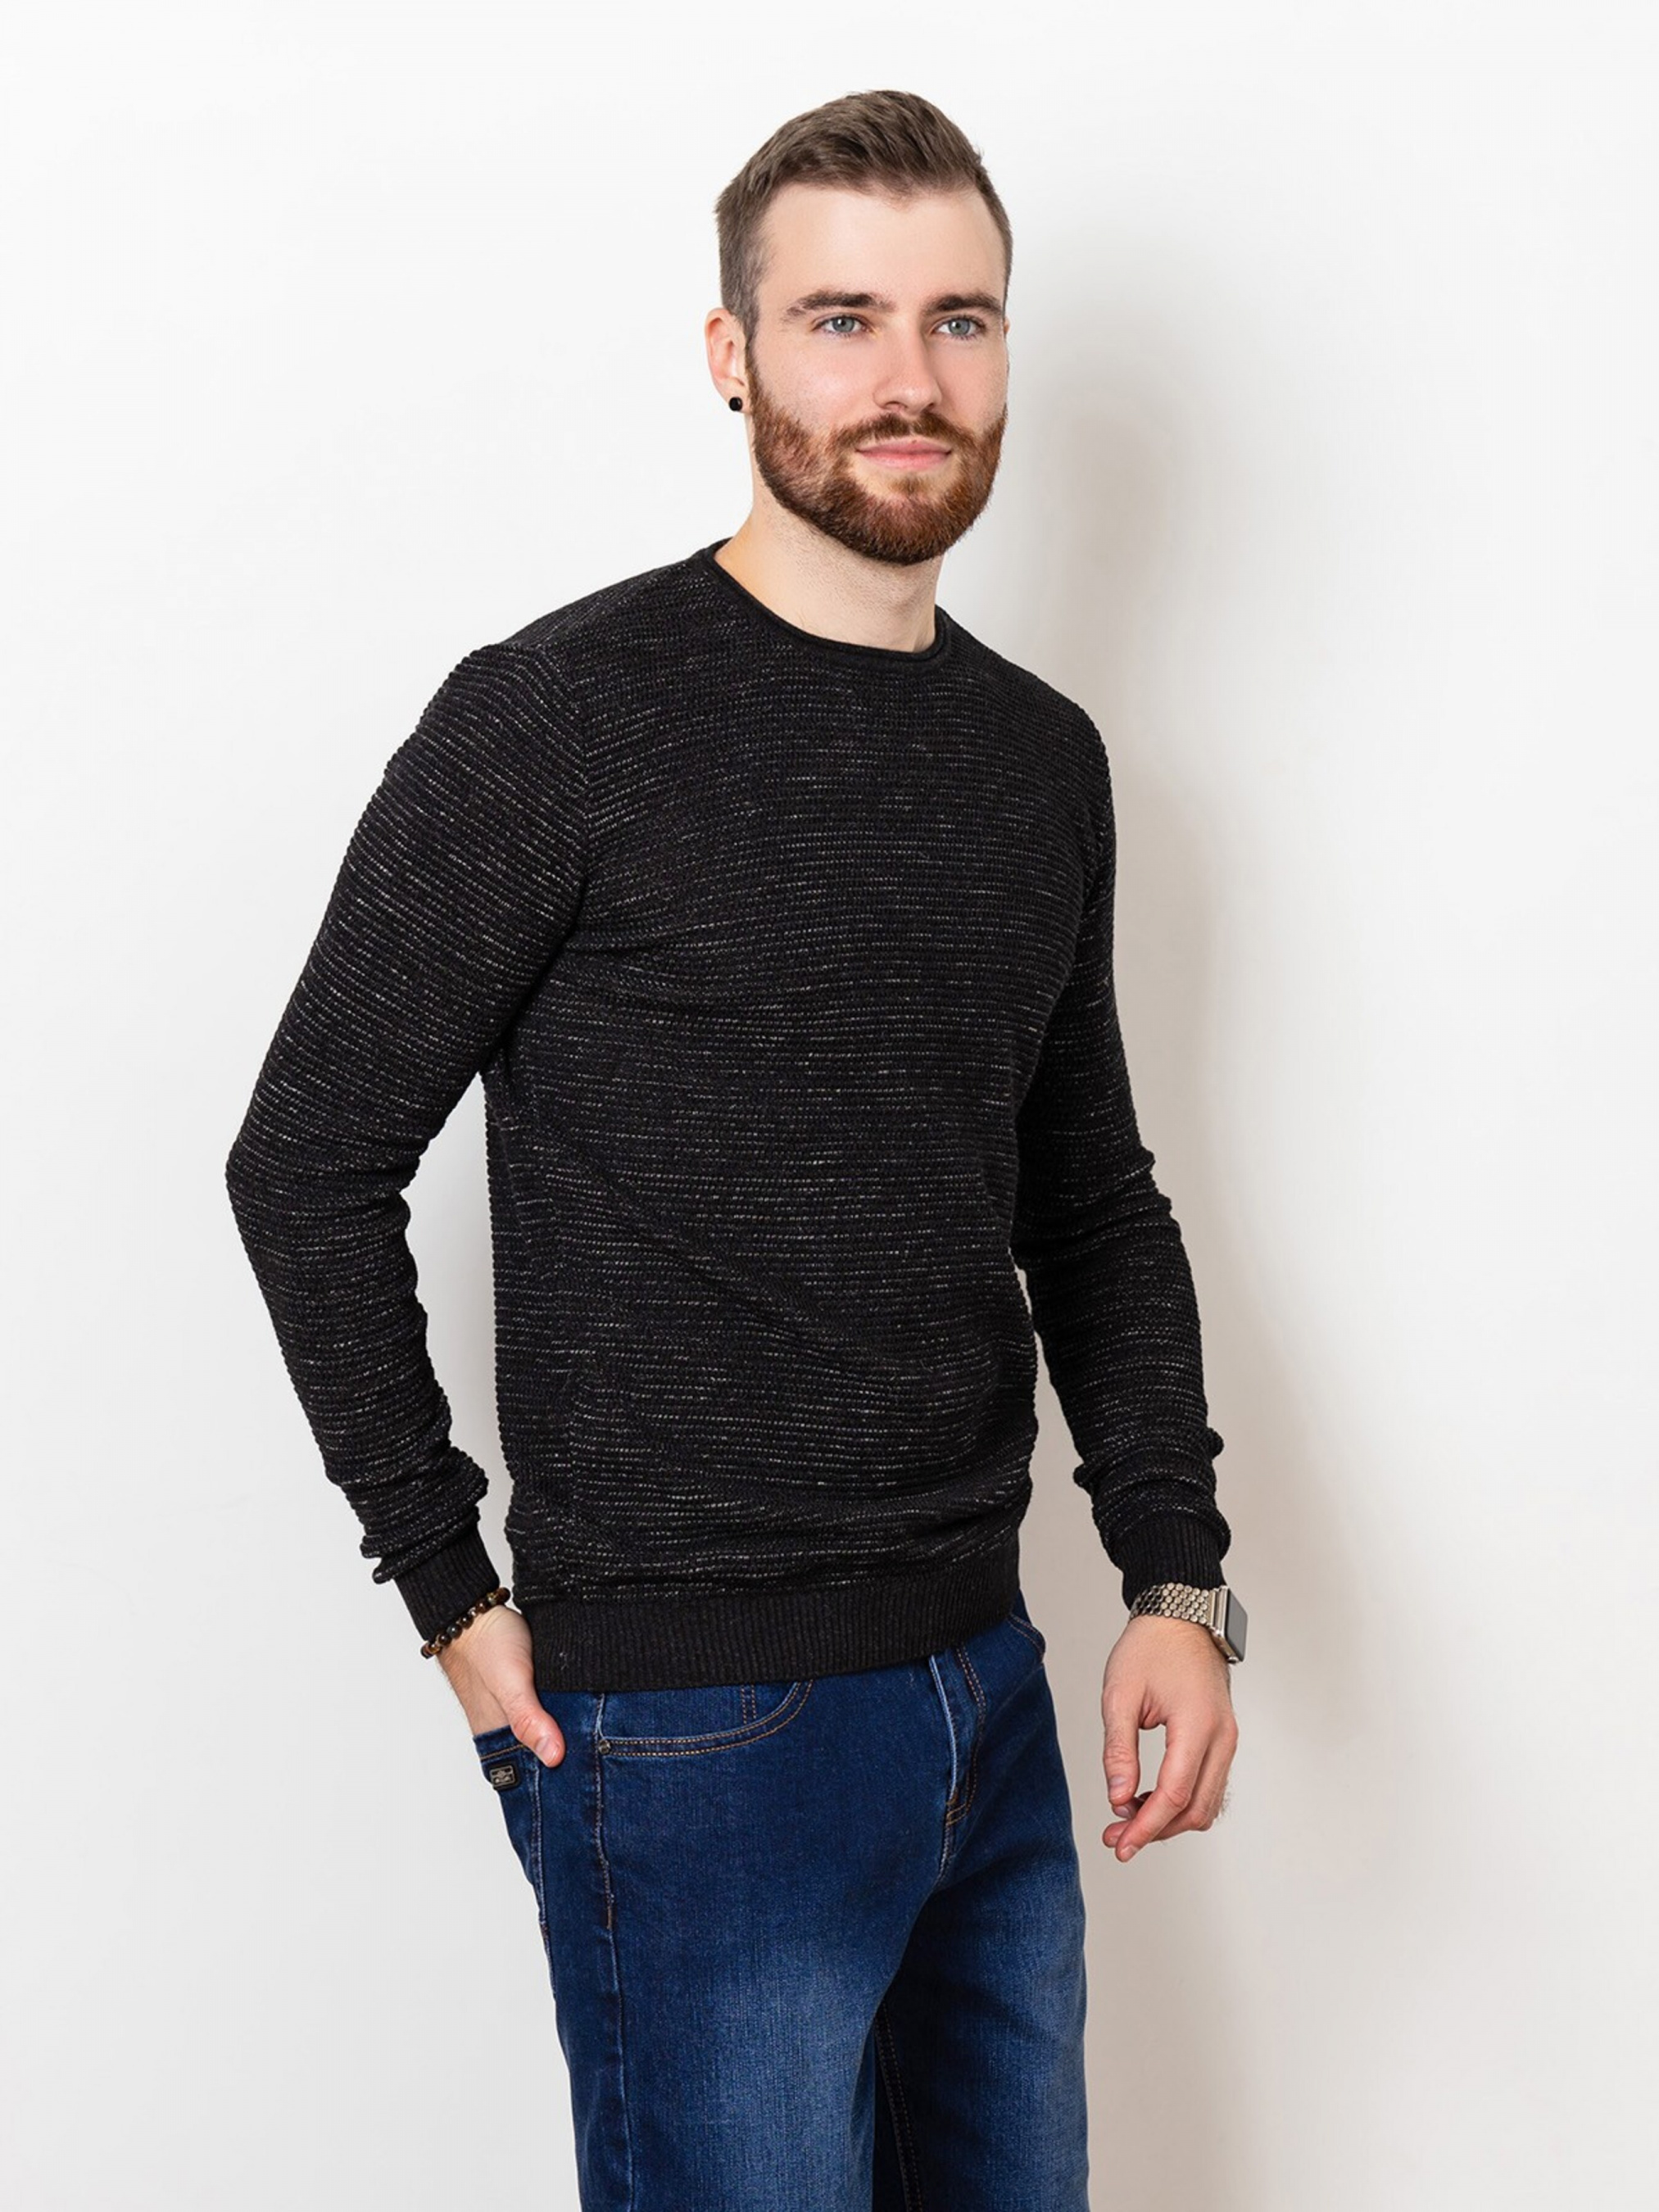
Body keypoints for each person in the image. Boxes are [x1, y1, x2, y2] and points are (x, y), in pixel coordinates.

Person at [224, 86, 1244, 2212]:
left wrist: (1175, 1575)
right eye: (841, 318)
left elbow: (1088, 1200)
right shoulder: (554, 721)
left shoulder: (1037, 761)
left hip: (986, 1691)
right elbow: (306, 1157)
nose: (906, 378)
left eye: (958, 320)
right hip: (694, 1735)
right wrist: (447, 1586)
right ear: (731, 352)